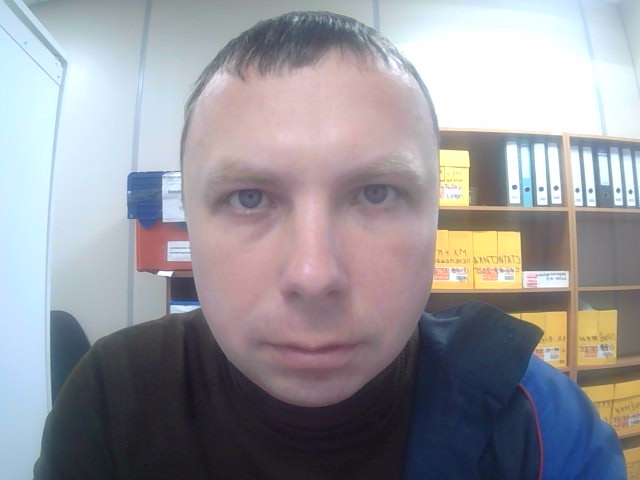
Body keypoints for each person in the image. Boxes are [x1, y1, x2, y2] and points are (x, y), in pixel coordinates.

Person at [34, 11, 625, 480]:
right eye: (248, 198)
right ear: (189, 224)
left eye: (375, 194)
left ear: (434, 219)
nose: (313, 275)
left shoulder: (538, 422)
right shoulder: (112, 399)